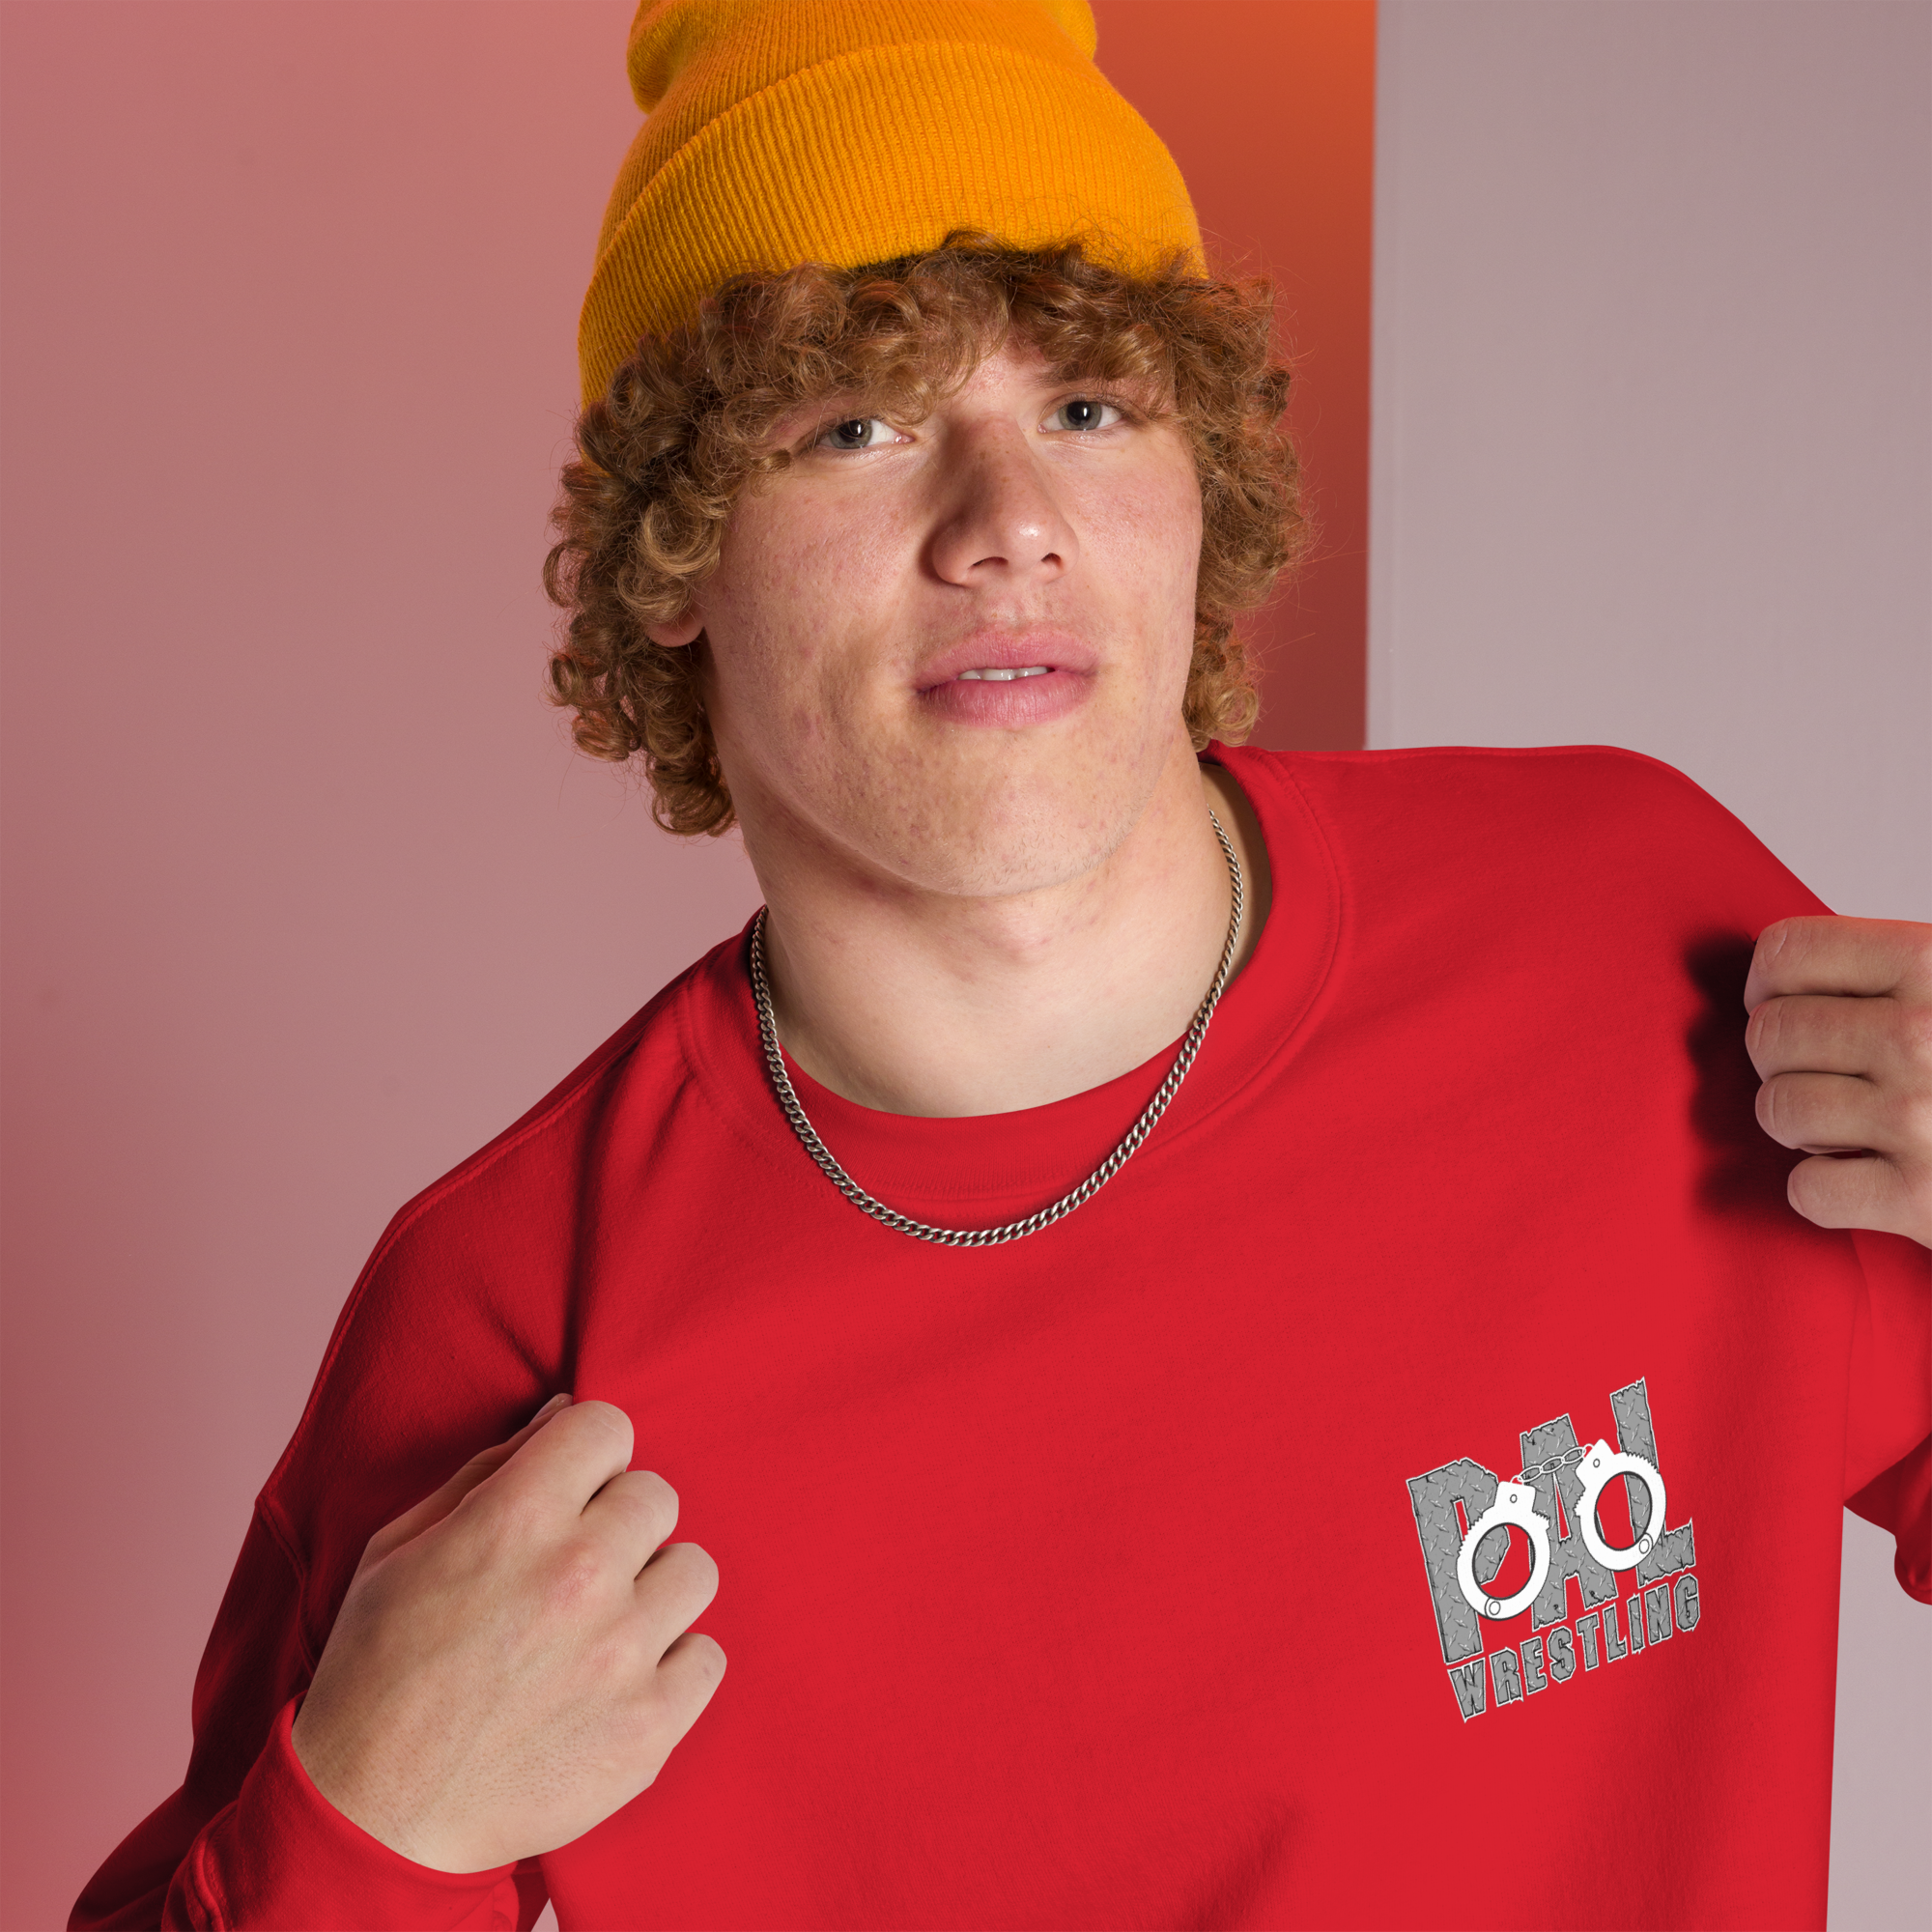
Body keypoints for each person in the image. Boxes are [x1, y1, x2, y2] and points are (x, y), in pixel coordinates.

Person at [73, 1, 1932, 1927]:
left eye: (1089, 405)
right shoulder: (518, 1321)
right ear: (675, 559)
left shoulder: (1627, 939)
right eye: (856, 423)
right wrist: (370, 1824)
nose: (1009, 526)